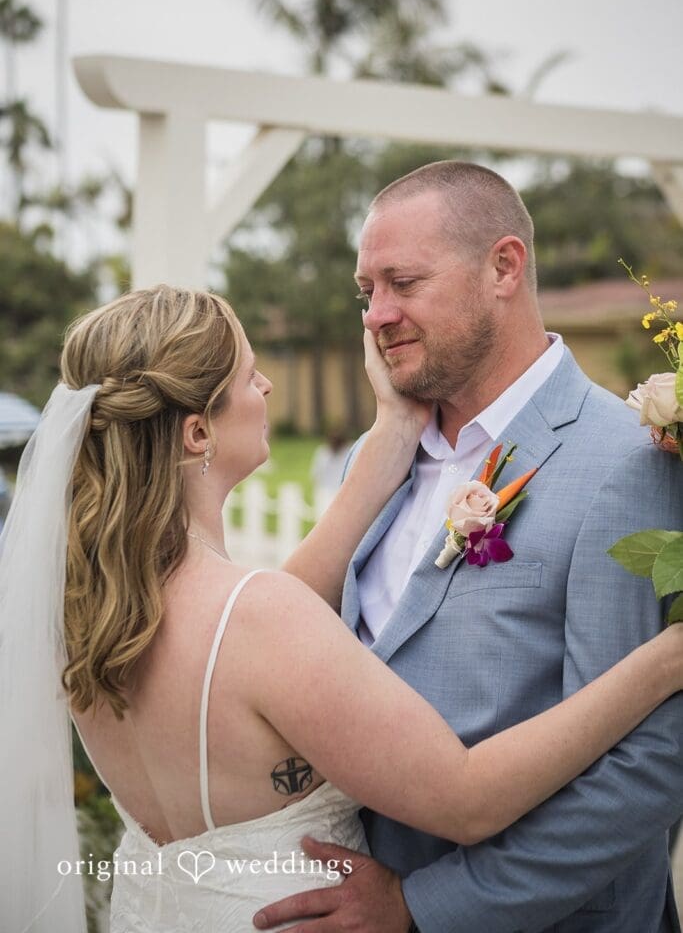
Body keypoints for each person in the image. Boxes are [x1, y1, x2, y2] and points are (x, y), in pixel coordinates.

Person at [0, 286, 681, 933]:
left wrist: (391, 433)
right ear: (198, 434)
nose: (265, 388)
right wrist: (663, 658)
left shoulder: (91, 608)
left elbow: (278, 608)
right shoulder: (256, 617)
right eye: (249, 375)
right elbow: (468, 798)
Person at [255, 161, 683, 933]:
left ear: (503, 267)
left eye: (403, 282)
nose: (376, 315)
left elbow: (646, 766)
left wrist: (423, 907)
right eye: (366, 292)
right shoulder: (372, 461)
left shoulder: (627, 463)